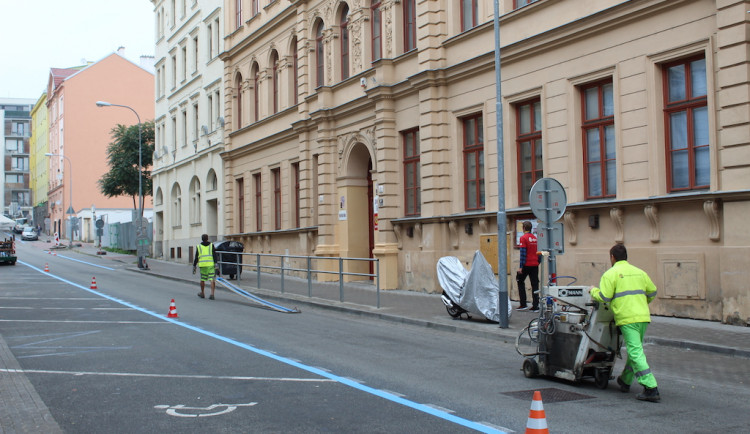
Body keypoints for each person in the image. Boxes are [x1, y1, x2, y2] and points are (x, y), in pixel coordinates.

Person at [589, 244, 660, 402]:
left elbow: (604, 297)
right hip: (642, 317)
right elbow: (653, 291)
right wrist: (642, 302)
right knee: (636, 349)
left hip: (627, 318)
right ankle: (625, 380)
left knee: (635, 352)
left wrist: (592, 290)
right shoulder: (640, 272)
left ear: (612, 257)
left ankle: (651, 387)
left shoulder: (611, 274)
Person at [516, 221, 540, 312]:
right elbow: (539, 252)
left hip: (526, 264)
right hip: (535, 264)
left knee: (520, 280)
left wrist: (521, 267)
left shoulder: (523, 238)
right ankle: (535, 306)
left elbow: (523, 253)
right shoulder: (535, 238)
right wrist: (538, 262)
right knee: (535, 284)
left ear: (523, 228)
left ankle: (523, 304)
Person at [193, 234, 218, 300]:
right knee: (212, 279)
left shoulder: (199, 247)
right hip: (210, 265)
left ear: (202, 239)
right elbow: (214, 255)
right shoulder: (211, 245)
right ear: (207, 238)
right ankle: (212, 294)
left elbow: (196, 257)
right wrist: (216, 264)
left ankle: (202, 293)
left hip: (203, 265)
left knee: (203, 279)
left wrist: (194, 265)